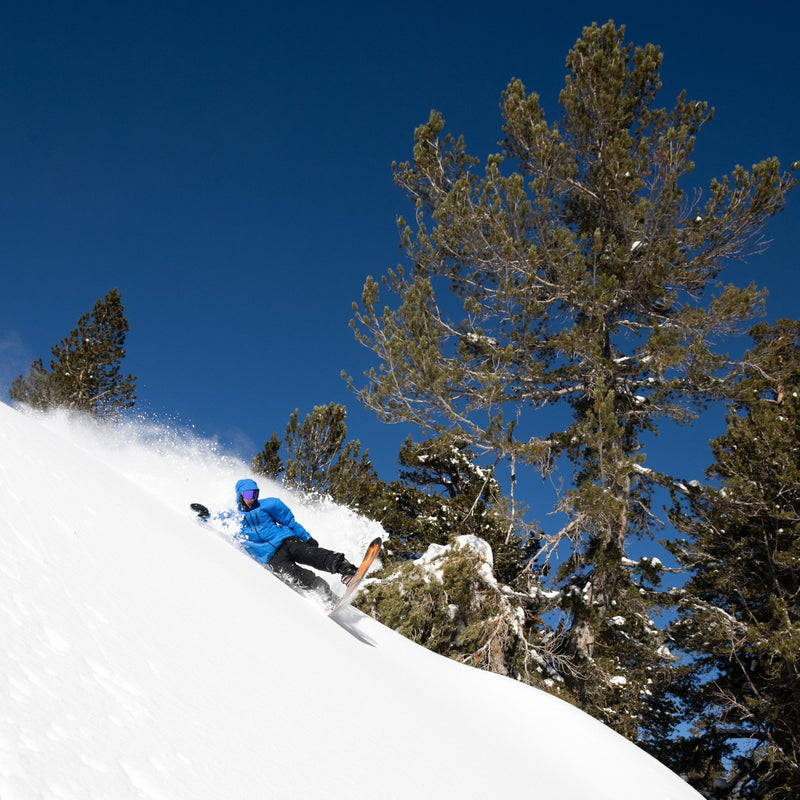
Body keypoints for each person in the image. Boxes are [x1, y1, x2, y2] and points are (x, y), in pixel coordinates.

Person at [193, 478, 357, 602]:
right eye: (249, 494)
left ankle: (346, 570)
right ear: (241, 495)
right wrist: (206, 514)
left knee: (311, 554)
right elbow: (220, 520)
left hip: (287, 541)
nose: (253, 497)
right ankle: (325, 594)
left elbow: (289, 521)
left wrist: (306, 537)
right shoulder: (235, 516)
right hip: (270, 557)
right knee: (297, 576)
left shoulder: (269, 504)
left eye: (255, 493)